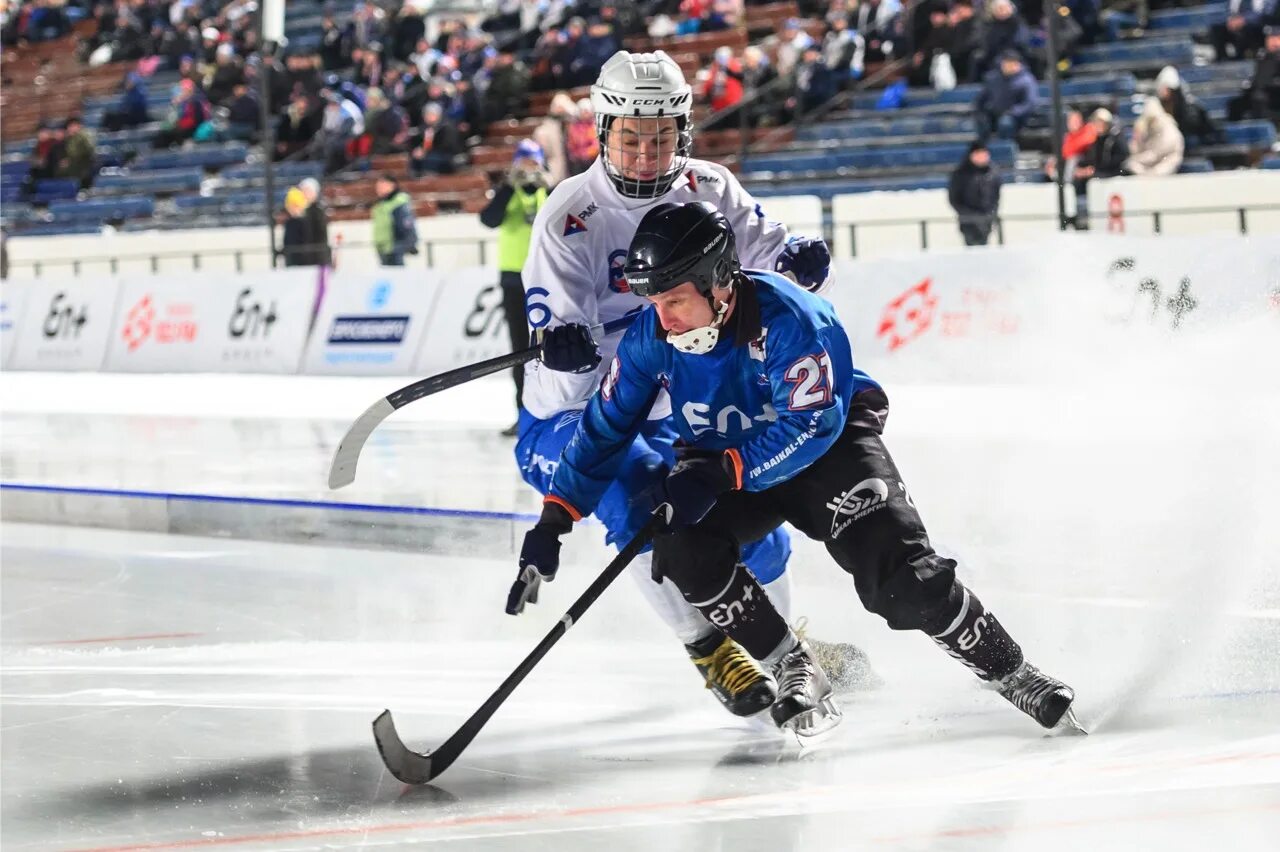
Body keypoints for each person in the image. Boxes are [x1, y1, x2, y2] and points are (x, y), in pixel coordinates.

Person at [515, 201, 1081, 736]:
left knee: (904, 584)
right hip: (728, 460)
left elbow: (811, 427)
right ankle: (792, 663)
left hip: (825, 449)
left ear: (719, 281)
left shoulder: (791, 318)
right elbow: (603, 430)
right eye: (653, 303)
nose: (662, 319)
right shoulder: (650, 339)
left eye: (675, 301)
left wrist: (724, 470)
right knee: (680, 547)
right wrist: (555, 517)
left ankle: (1012, 671)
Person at [504, 50, 870, 722]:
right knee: (643, 496)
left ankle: (785, 644)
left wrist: (802, 263)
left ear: (684, 133)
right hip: (576, 414)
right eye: (632, 138)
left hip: (677, 400)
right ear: (604, 132)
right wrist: (567, 347)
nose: (647, 155)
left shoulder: (711, 187)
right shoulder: (571, 214)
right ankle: (709, 649)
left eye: (662, 137)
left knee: (743, 512)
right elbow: (568, 356)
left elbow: (771, 266)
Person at [479, 140, 550, 435]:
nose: (528, 169)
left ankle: (552, 411)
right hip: (513, 280)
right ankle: (523, 414)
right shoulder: (508, 193)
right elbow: (488, 219)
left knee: (549, 348)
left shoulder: (550, 190)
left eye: (533, 162)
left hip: (546, 281)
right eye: (524, 163)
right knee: (520, 350)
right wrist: (508, 186)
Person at [974, 51, 1039, 142]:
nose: (1009, 66)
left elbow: (1030, 103)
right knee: (981, 121)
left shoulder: (1027, 80)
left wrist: (1013, 112)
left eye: (1012, 63)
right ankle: (983, 148)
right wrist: (980, 112)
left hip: (1017, 117)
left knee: (1005, 123)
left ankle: (1005, 148)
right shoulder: (993, 78)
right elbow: (981, 98)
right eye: (1007, 63)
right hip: (995, 114)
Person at [948, 140, 1001, 246]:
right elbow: (954, 200)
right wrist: (972, 216)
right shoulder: (960, 174)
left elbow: (996, 196)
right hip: (968, 222)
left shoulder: (993, 173)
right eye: (979, 154)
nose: (983, 157)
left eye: (984, 154)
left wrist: (991, 214)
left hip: (987, 220)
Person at [1124, 96, 1184, 176]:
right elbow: (1135, 151)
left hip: (1167, 159)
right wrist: (1136, 139)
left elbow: (1158, 153)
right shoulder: (1144, 125)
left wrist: (1141, 158)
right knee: (1131, 164)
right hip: (1149, 162)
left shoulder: (1168, 125)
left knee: (1158, 172)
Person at [371, 174, 418, 266]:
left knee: (397, 277)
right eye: (377, 186)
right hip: (383, 248)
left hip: (395, 248)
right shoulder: (381, 204)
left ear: (392, 185)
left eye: (382, 186)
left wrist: (409, 243)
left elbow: (406, 225)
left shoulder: (399, 203)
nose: (378, 189)